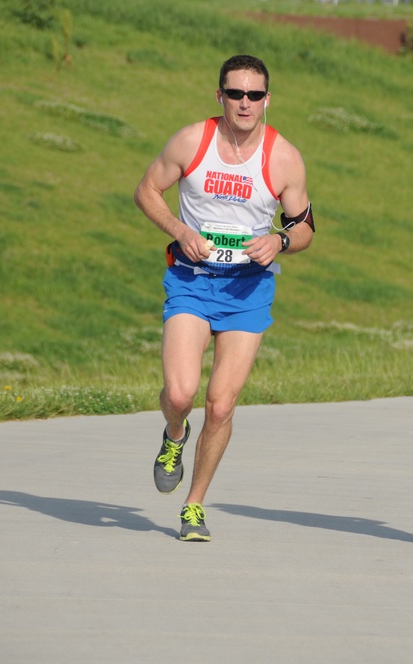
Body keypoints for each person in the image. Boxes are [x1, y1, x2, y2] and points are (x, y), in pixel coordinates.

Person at [134, 54, 314, 542]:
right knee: (180, 394)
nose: (245, 103)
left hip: (247, 290)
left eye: (254, 95)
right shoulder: (193, 140)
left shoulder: (283, 157)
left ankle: (194, 506)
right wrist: (178, 229)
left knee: (219, 404)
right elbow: (147, 189)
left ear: (267, 100)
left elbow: (304, 229)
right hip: (192, 280)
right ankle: (174, 435)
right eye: (235, 93)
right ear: (220, 96)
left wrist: (278, 241)